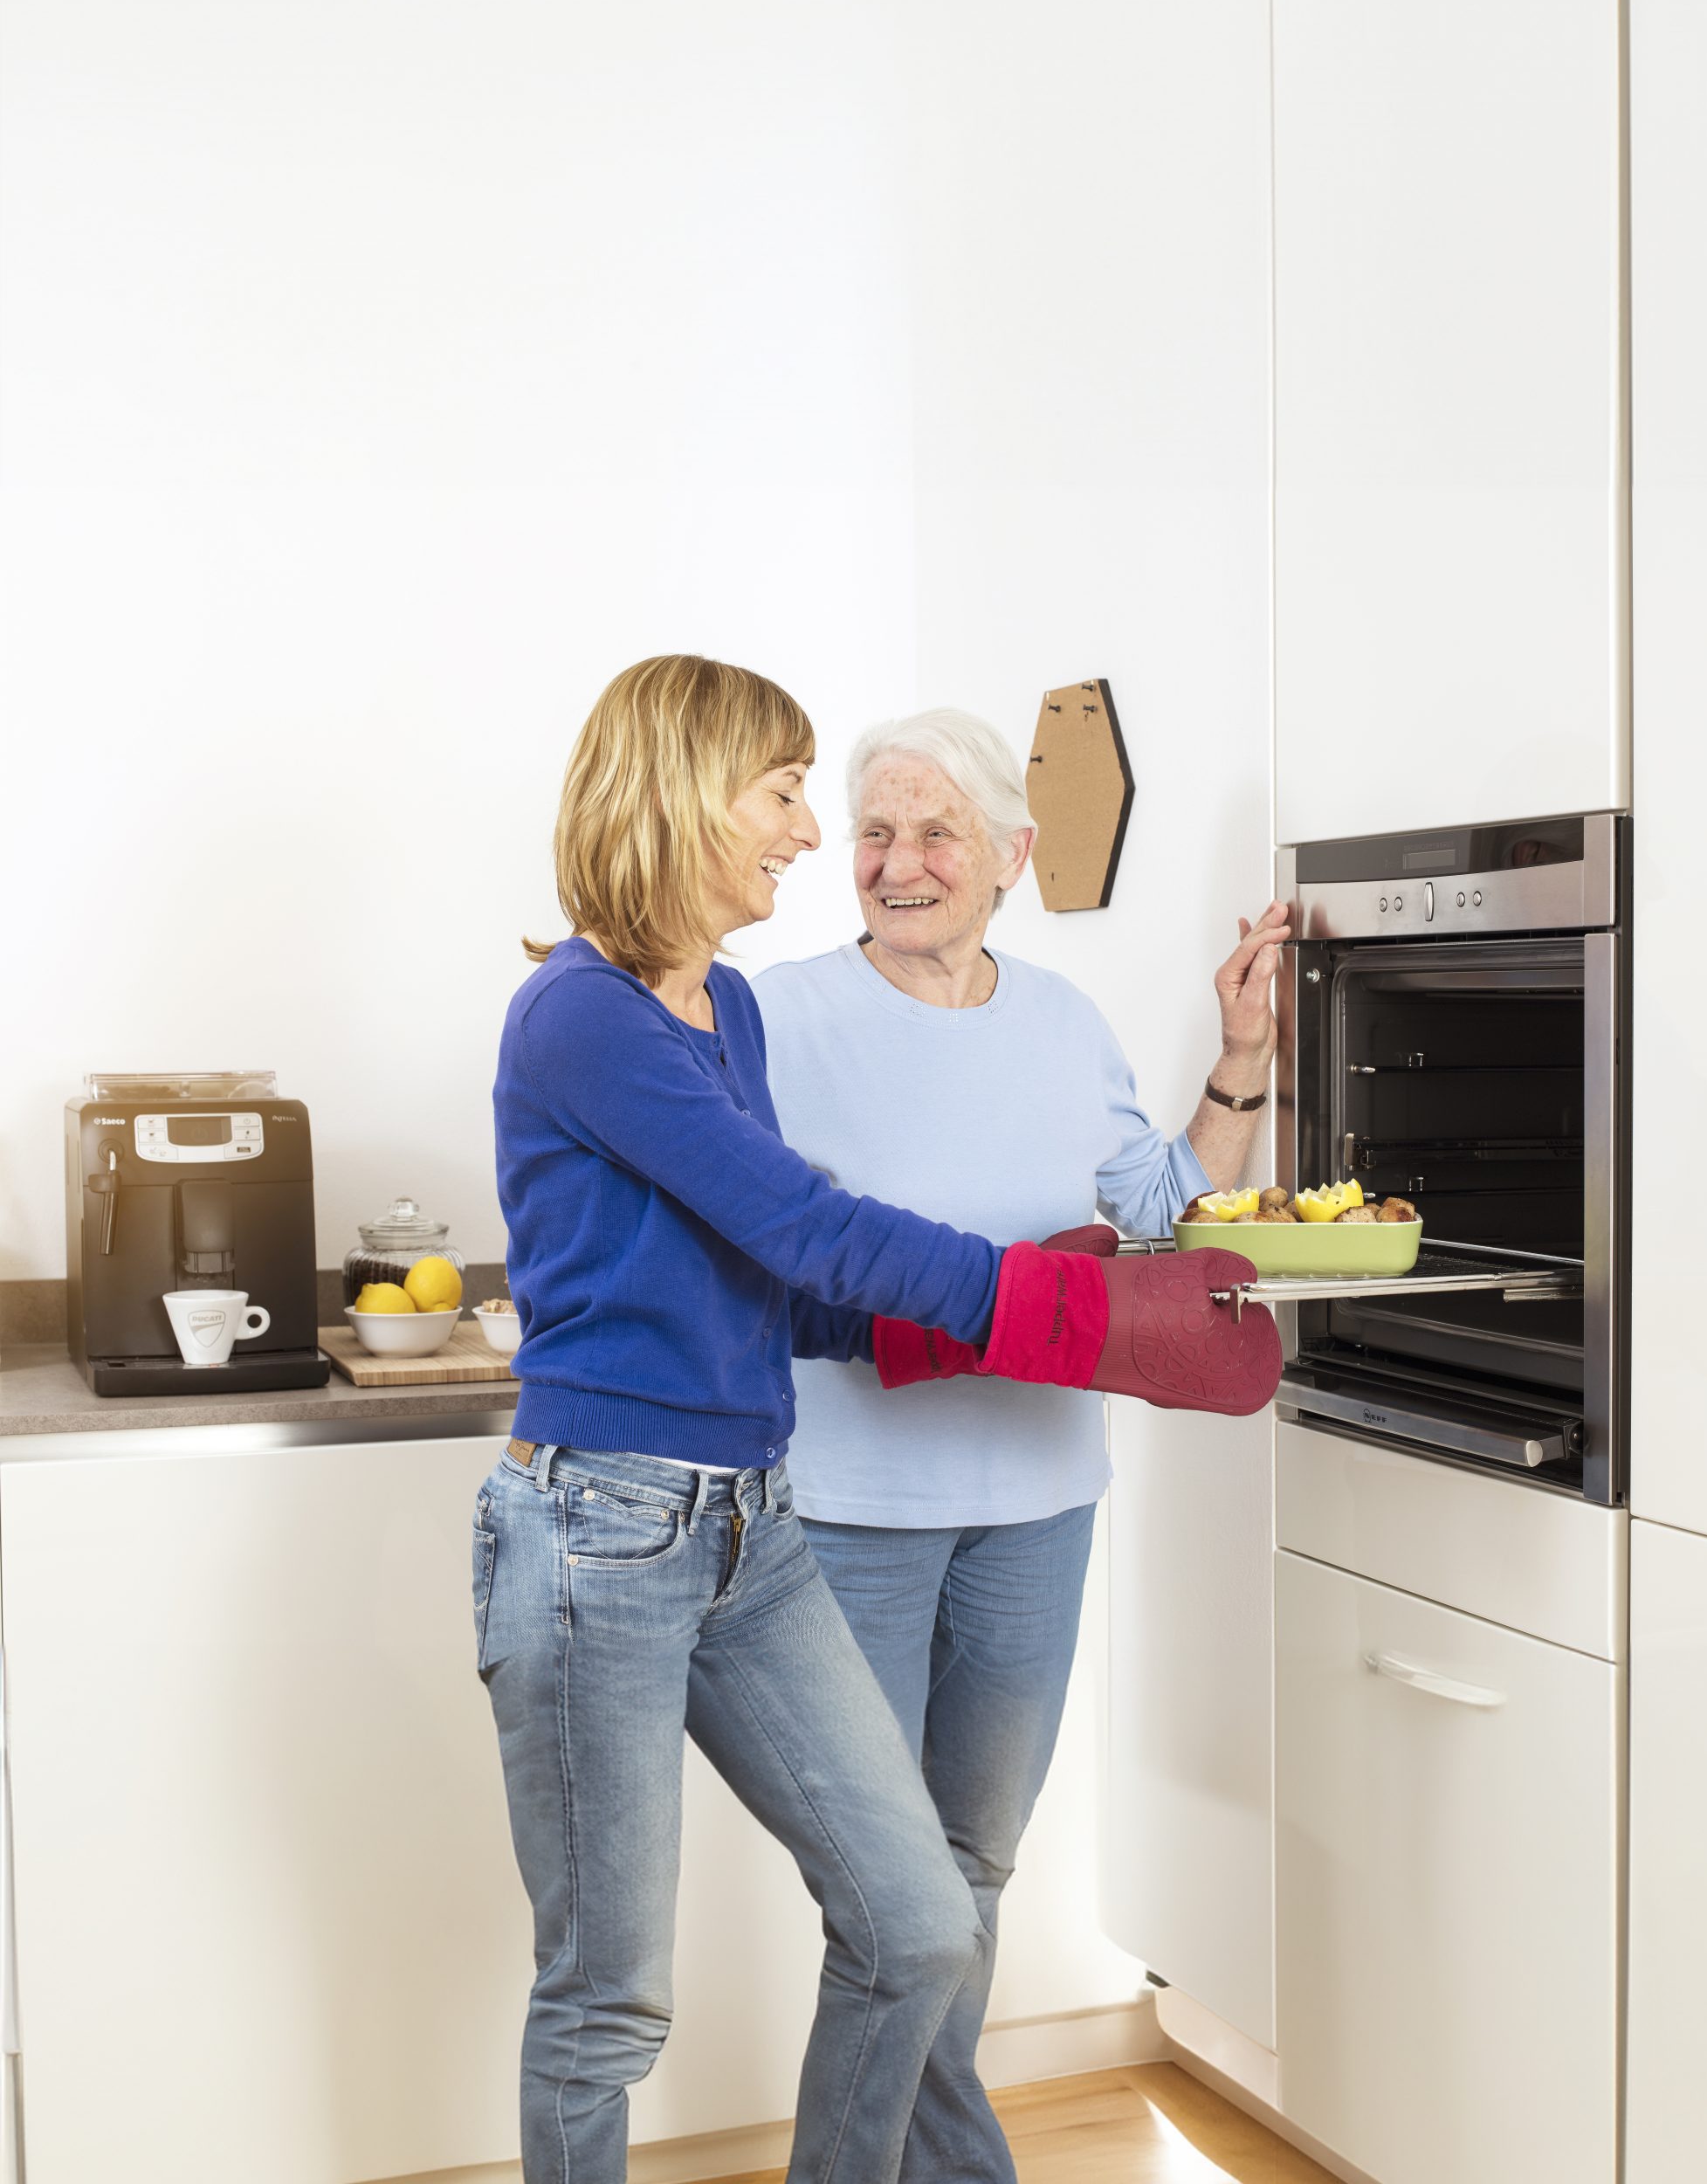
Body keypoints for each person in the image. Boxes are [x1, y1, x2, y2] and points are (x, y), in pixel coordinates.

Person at [477, 657, 1277, 2184]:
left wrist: (950, 1331)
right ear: (686, 796)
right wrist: (1073, 1315)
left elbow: (781, 1288)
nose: (809, 832)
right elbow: (804, 1225)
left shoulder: (717, 1010)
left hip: (748, 1522)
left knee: (920, 1920)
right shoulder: (580, 1017)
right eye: (788, 794)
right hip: (602, 1530)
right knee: (608, 2000)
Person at [753, 707, 1289, 2184]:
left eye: (934, 834)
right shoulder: (779, 1016)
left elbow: (1159, 1208)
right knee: (890, 1893)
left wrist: (1242, 1056)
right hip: (851, 1506)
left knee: (968, 1870)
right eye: (873, 832)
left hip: (1038, 1505)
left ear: (1008, 856)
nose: (896, 863)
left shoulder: (1061, 1021)